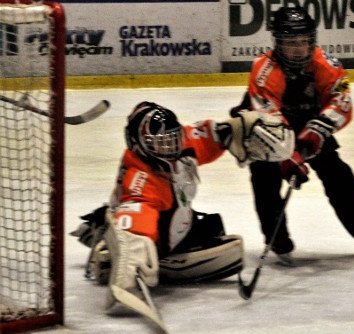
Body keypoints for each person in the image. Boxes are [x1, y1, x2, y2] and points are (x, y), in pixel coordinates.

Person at [71, 101, 293, 309]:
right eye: (161, 144)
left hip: (177, 224)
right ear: (138, 145)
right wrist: (129, 277)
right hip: (155, 241)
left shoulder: (183, 141)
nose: (171, 148)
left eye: (173, 139)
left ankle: (108, 235)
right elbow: (136, 230)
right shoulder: (141, 181)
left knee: (219, 234)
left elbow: (220, 132)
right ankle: (113, 253)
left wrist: (246, 127)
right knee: (229, 255)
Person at [230, 5, 354, 261]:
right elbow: (268, 117)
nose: (299, 48)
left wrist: (318, 130)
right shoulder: (263, 69)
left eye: (304, 41)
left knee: (338, 174)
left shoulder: (329, 64)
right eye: (291, 42)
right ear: (278, 43)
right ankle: (277, 236)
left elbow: (342, 101)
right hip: (265, 128)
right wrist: (287, 155)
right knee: (264, 175)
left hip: (311, 121)